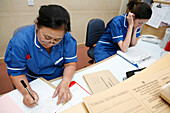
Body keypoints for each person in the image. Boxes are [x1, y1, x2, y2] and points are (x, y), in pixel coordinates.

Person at [4, 5, 77, 107]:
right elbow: (17, 74)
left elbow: (70, 64)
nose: (51, 43)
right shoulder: (20, 43)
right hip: (33, 82)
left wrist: (65, 82)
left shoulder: (67, 39)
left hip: (58, 80)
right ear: (37, 25)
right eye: (47, 37)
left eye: (57, 40)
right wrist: (27, 92)